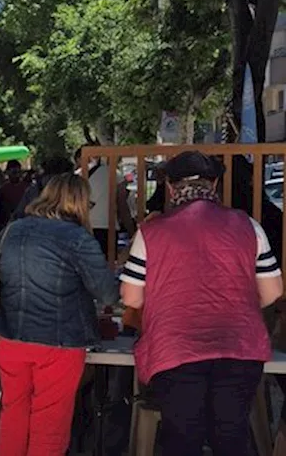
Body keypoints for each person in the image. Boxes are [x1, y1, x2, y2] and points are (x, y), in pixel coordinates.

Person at [120, 152, 283, 456]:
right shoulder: (248, 226)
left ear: (170, 188)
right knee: (232, 437)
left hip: (176, 351)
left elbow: (131, 297)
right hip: (239, 348)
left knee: (181, 439)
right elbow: (273, 291)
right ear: (216, 183)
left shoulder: (151, 232)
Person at [0, 173, 118, 456]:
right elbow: (108, 294)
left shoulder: (13, 230)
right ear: (80, 202)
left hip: (11, 337)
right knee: (50, 424)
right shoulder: (78, 239)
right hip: (59, 343)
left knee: (13, 415)